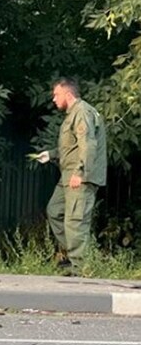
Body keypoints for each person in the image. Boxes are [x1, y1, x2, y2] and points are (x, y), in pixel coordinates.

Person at [33, 78, 107, 275]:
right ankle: (72, 255)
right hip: (67, 175)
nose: (54, 99)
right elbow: (72, 146)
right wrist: (50, 154)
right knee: (55, 211)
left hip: (78, 176)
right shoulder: (73, 114)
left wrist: (80, 173)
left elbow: (88, 145)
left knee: (75, 220)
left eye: (56, 95)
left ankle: (79, 268)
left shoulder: (82, 112)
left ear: (68, 94)